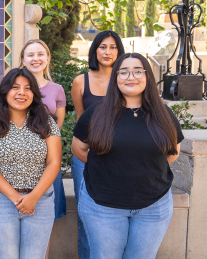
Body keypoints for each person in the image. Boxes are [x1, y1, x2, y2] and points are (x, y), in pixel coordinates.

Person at [71, 53, 183, 258]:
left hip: (153, 206)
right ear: (115, 78)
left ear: (148, 76)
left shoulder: (163, 114)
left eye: (138, 71)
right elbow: (78, 148)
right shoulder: (97, 112)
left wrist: (141, 167)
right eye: (123, 72)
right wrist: (108, 167)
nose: (131, 76)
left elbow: (173, 151)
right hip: (102, 206)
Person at [0, 68, 62, 259]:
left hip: (40, 201)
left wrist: (33, 197)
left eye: (28, 88)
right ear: (6, 91)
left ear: (34, 94)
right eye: (15, 87)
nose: (22, 93)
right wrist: (16, 197)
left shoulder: (46, 122)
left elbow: (54, 162)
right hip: (1, 201)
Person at [69, 30, 124, 259]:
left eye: (112, 47)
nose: (107, 52)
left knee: (119, 210)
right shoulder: (81, 81)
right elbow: (83, 122)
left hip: (121, 158)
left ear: (120, 51)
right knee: (86, 214)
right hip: (87, 157)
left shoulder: (126, 79)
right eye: (102, 47)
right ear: (94, 50)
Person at [20, 39, 67, 257]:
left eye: (40, 54)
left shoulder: (57, 90)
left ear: (47, 59)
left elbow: (57, 128)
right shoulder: (12, 87)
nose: (36, 58)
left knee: (44, 221)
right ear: (23, 60)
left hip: (47, 162)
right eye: (30, 54)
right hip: (16, 162)